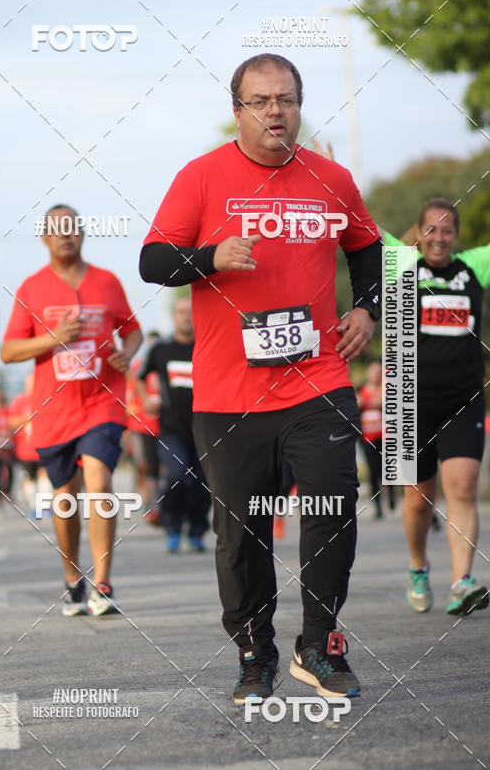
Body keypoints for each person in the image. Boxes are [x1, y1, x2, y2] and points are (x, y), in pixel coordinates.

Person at [140, 54, 382, 701]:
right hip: (229, 394)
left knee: (333, 501)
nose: (275, 111)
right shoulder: (202, 177)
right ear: (237, 110)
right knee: (240, 536)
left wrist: (365, 308)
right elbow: (153, 262)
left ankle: (319, 644)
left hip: (317, 380)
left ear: (299, 106)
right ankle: (255, 652)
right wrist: (209, 257)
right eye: (261, 101)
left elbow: (369, 252)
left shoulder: (332, 179)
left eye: (286, 99)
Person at [1, 204, 142, 617]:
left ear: (83, 233)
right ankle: (71, 577)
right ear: (45, 238)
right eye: (57, 230)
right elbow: (9, 352)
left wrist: (127, 354)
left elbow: (132, 331)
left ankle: (103, 582)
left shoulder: (107, 282)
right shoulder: (31, 288)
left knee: (98, 476)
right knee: (65, 496)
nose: (66, 236)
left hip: (102, 400)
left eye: (73, 229)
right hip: (54, 408)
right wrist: (52, 339)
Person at [384, 199, 489, 616]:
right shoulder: (401, 263)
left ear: (456, 236)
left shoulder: (473, 268)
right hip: (407, 400)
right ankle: (417, 566)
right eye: (432, 230)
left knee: (462, 488)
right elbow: (361, 225)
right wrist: (330, 171)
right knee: (417, 499)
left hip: (463, 397)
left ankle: (462, 582)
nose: (440, 238)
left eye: (447, 231)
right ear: (419, 231)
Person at [138, 298, 211, 553]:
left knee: (203, 482)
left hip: (205, 426)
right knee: (176, 477)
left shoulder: (207, 344)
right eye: (181, 312)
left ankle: (197, 531)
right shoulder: (161, 348)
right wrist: (146, 398)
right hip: (171, 428)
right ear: (173, 316)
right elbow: (140, 375)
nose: (186, 317)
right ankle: (172, 527)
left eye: (190, 313)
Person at [126, 330, 162, 526]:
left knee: (164, 468)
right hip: (141, 427)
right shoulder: (138, 369)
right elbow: (128, 403)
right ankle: (151, 507)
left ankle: (162, 505)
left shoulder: (164, 365)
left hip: (165, 426)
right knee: (145, 468)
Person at [9, 374, 53, 520]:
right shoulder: (19, 401)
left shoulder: (46, 398)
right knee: (29, 478)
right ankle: (34, 507)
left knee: (45, 474)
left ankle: (45, 506)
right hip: (25, 449)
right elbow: (11, 421)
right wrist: (27, 417)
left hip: (44, 444)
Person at [356, 360, 396, 520]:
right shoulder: (361, 390)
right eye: (373, 371)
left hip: (387, 436)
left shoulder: (387, 389)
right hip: (368, 438)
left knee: (389, 469)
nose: (376, 374)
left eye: (379, 371)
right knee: (374, 471)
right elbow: (357, 405)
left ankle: (392, 495)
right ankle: (378, 505)